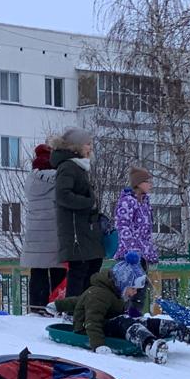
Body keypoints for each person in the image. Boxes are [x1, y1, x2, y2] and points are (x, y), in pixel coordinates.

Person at [52, 251, 190, 363]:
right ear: (123, 283)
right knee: (125, 321)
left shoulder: (114, 291)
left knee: (144, 322)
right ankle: (150, 346)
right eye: (133, 288)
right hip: (93, 330)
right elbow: (92, 321)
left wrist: (57, 305)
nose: (135, 292)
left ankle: (189, 334)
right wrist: (98, 345)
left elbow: (77, 301)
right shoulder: (99, 294)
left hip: (113, 324)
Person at [52, 128, 103, 298]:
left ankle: (85, 306)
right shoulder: (68, 167)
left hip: (85, 229)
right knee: (80, 271)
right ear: (76, 146)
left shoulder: (79, 167)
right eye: (87, 144)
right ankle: (72, 308)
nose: (90, 148)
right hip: (76, 233)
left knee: (93, 267)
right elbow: (63, 195)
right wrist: (88, 202)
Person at [21, 143, 67, 314]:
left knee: (37, 272)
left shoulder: (31, 181)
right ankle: (56, 307)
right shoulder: (59, 180)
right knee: (58, 272)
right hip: (54, 234)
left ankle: (36, 308)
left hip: (34, 235)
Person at [114, 166, 158, 314]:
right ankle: (122, 315)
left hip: (143, 254)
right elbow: (123, 225)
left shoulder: (145, 202)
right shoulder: (127, 202)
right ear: (138, 184)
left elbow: (146, 231)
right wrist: (132, 248)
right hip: (129, 255)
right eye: (147, 181)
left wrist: (149, 251)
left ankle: (135, 316)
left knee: (141, 288)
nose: (150, 185)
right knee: (129, 288)